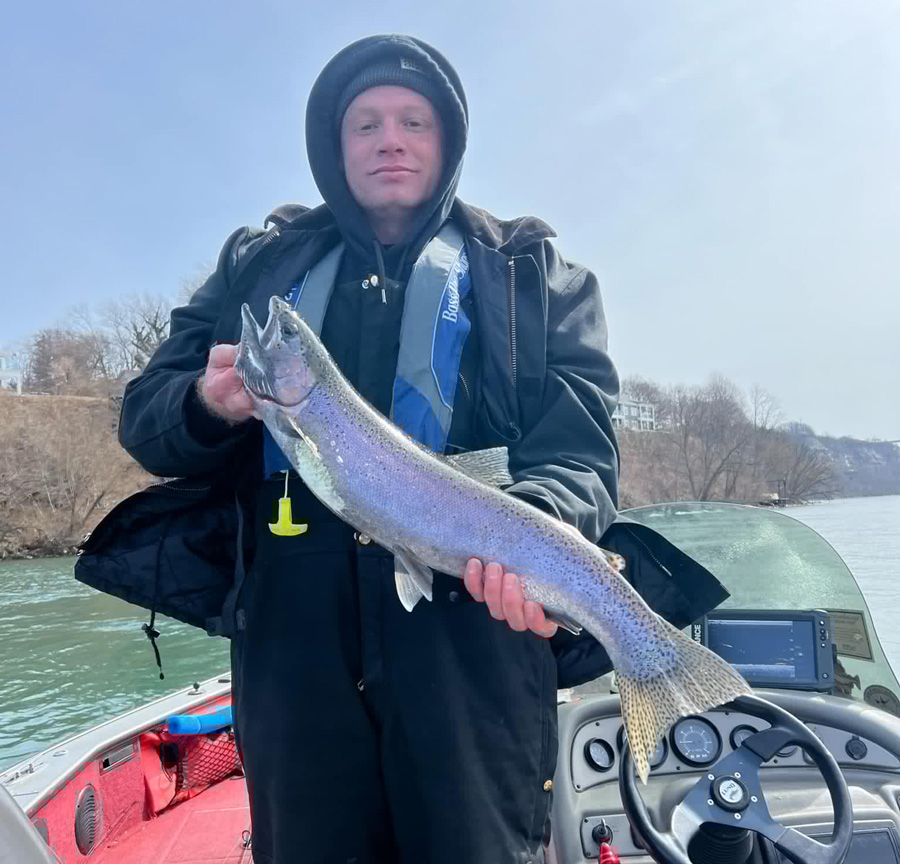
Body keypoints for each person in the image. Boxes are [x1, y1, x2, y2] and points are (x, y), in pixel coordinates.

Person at [106, 33, 722, 864]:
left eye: (412, 121)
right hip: (295, 671)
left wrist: (535, 530)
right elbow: (146, 421)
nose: (389, 139)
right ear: (334, 146)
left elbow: (581, 451)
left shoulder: (533, 274)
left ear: (447, 142)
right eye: (365, 124)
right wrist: (204, 404)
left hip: (480, 664)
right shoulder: (259, 270)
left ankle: (653, 656)